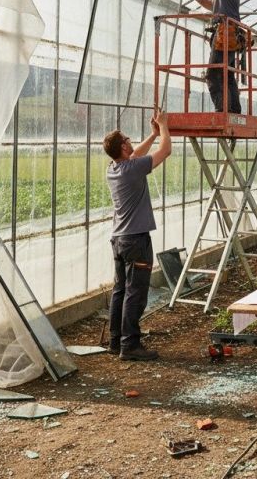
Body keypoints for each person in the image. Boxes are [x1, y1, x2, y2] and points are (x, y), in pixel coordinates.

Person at [103, 109, 171, 361]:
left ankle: (115, 340)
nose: (131, 142)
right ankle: (130, 345)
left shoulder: (114, 168)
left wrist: (152, 135)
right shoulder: (132, 168)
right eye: (128, 140)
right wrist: (163, 127)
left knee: (120, 290)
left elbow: (135, 155)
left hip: (119, 239)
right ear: (122, 147)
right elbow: (166, 151)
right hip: (136, 240)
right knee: (136, 292)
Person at [164, 0, 242, 114]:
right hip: (226, 31)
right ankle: (234, 111)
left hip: (226, 31)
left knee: (213, 74)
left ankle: (222, 111)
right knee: (227, 74)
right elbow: (212, 6)